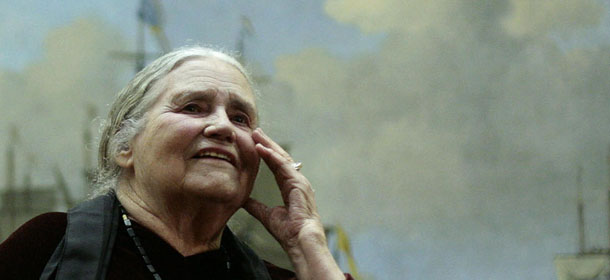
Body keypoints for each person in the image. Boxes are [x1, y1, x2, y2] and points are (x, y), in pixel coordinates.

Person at [0, 46, 351, 279]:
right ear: (125, 145)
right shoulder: (48, 248)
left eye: (240, 118)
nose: (222, 127)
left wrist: (307, 246)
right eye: (192, 107)